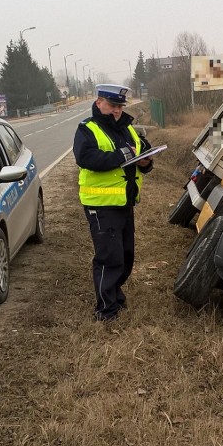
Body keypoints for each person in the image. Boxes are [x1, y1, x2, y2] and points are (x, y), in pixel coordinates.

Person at [73, 84, 154, 321]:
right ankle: (106, 311)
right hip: (101, 204)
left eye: (120, 106)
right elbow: (86, 158)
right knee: (109, 257)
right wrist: (124, 156)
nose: (117, 111)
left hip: (125, 202)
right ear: (99, 103)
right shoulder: (87, 129)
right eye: (112, 105)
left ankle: (115, 296)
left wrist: (145, 163)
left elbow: (142, 156)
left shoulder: (128, 129)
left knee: (126, 255)